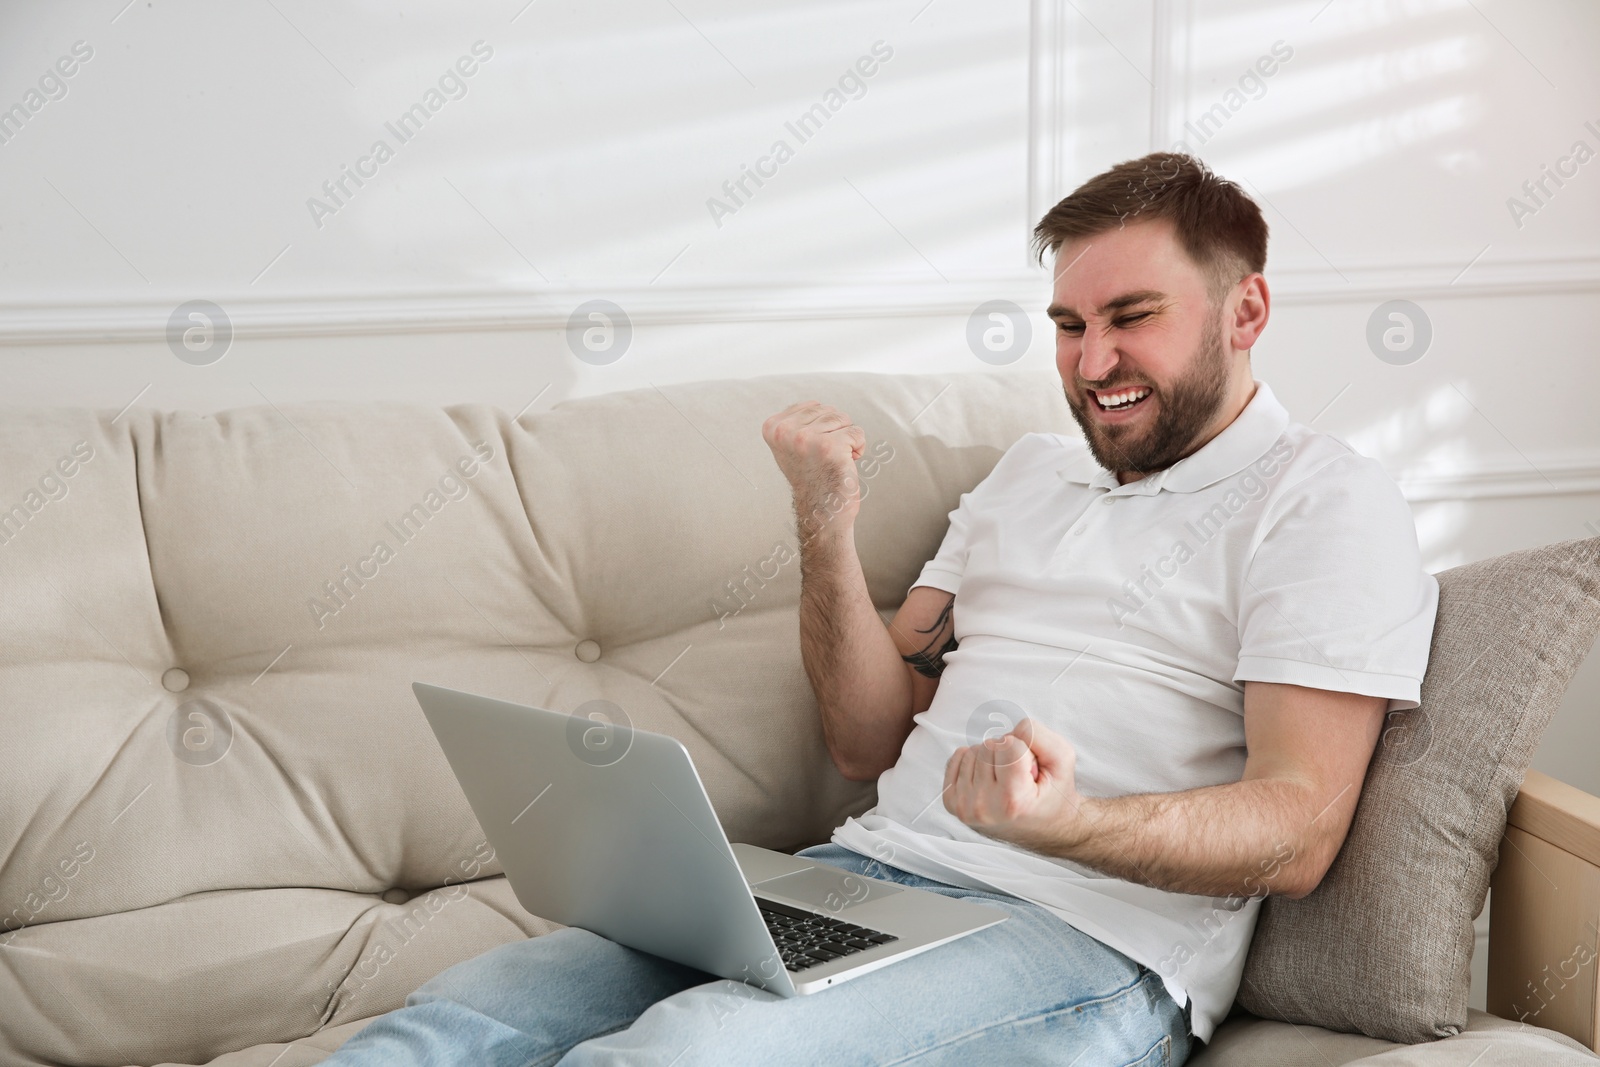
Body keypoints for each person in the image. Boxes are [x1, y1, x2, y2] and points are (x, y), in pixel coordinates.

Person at [318, 152, 1438, 1066]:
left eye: (1130, 316)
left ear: (1245, 309)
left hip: (1085, 936)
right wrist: (823, 524)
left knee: (679, 1056)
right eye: (1065, 322)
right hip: (861, 876)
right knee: (454, 1018)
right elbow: (867, 733)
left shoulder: (1322, 501)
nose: (1092, 360)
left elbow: (1295, 827)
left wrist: (1069, 822)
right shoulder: (1027, 476)